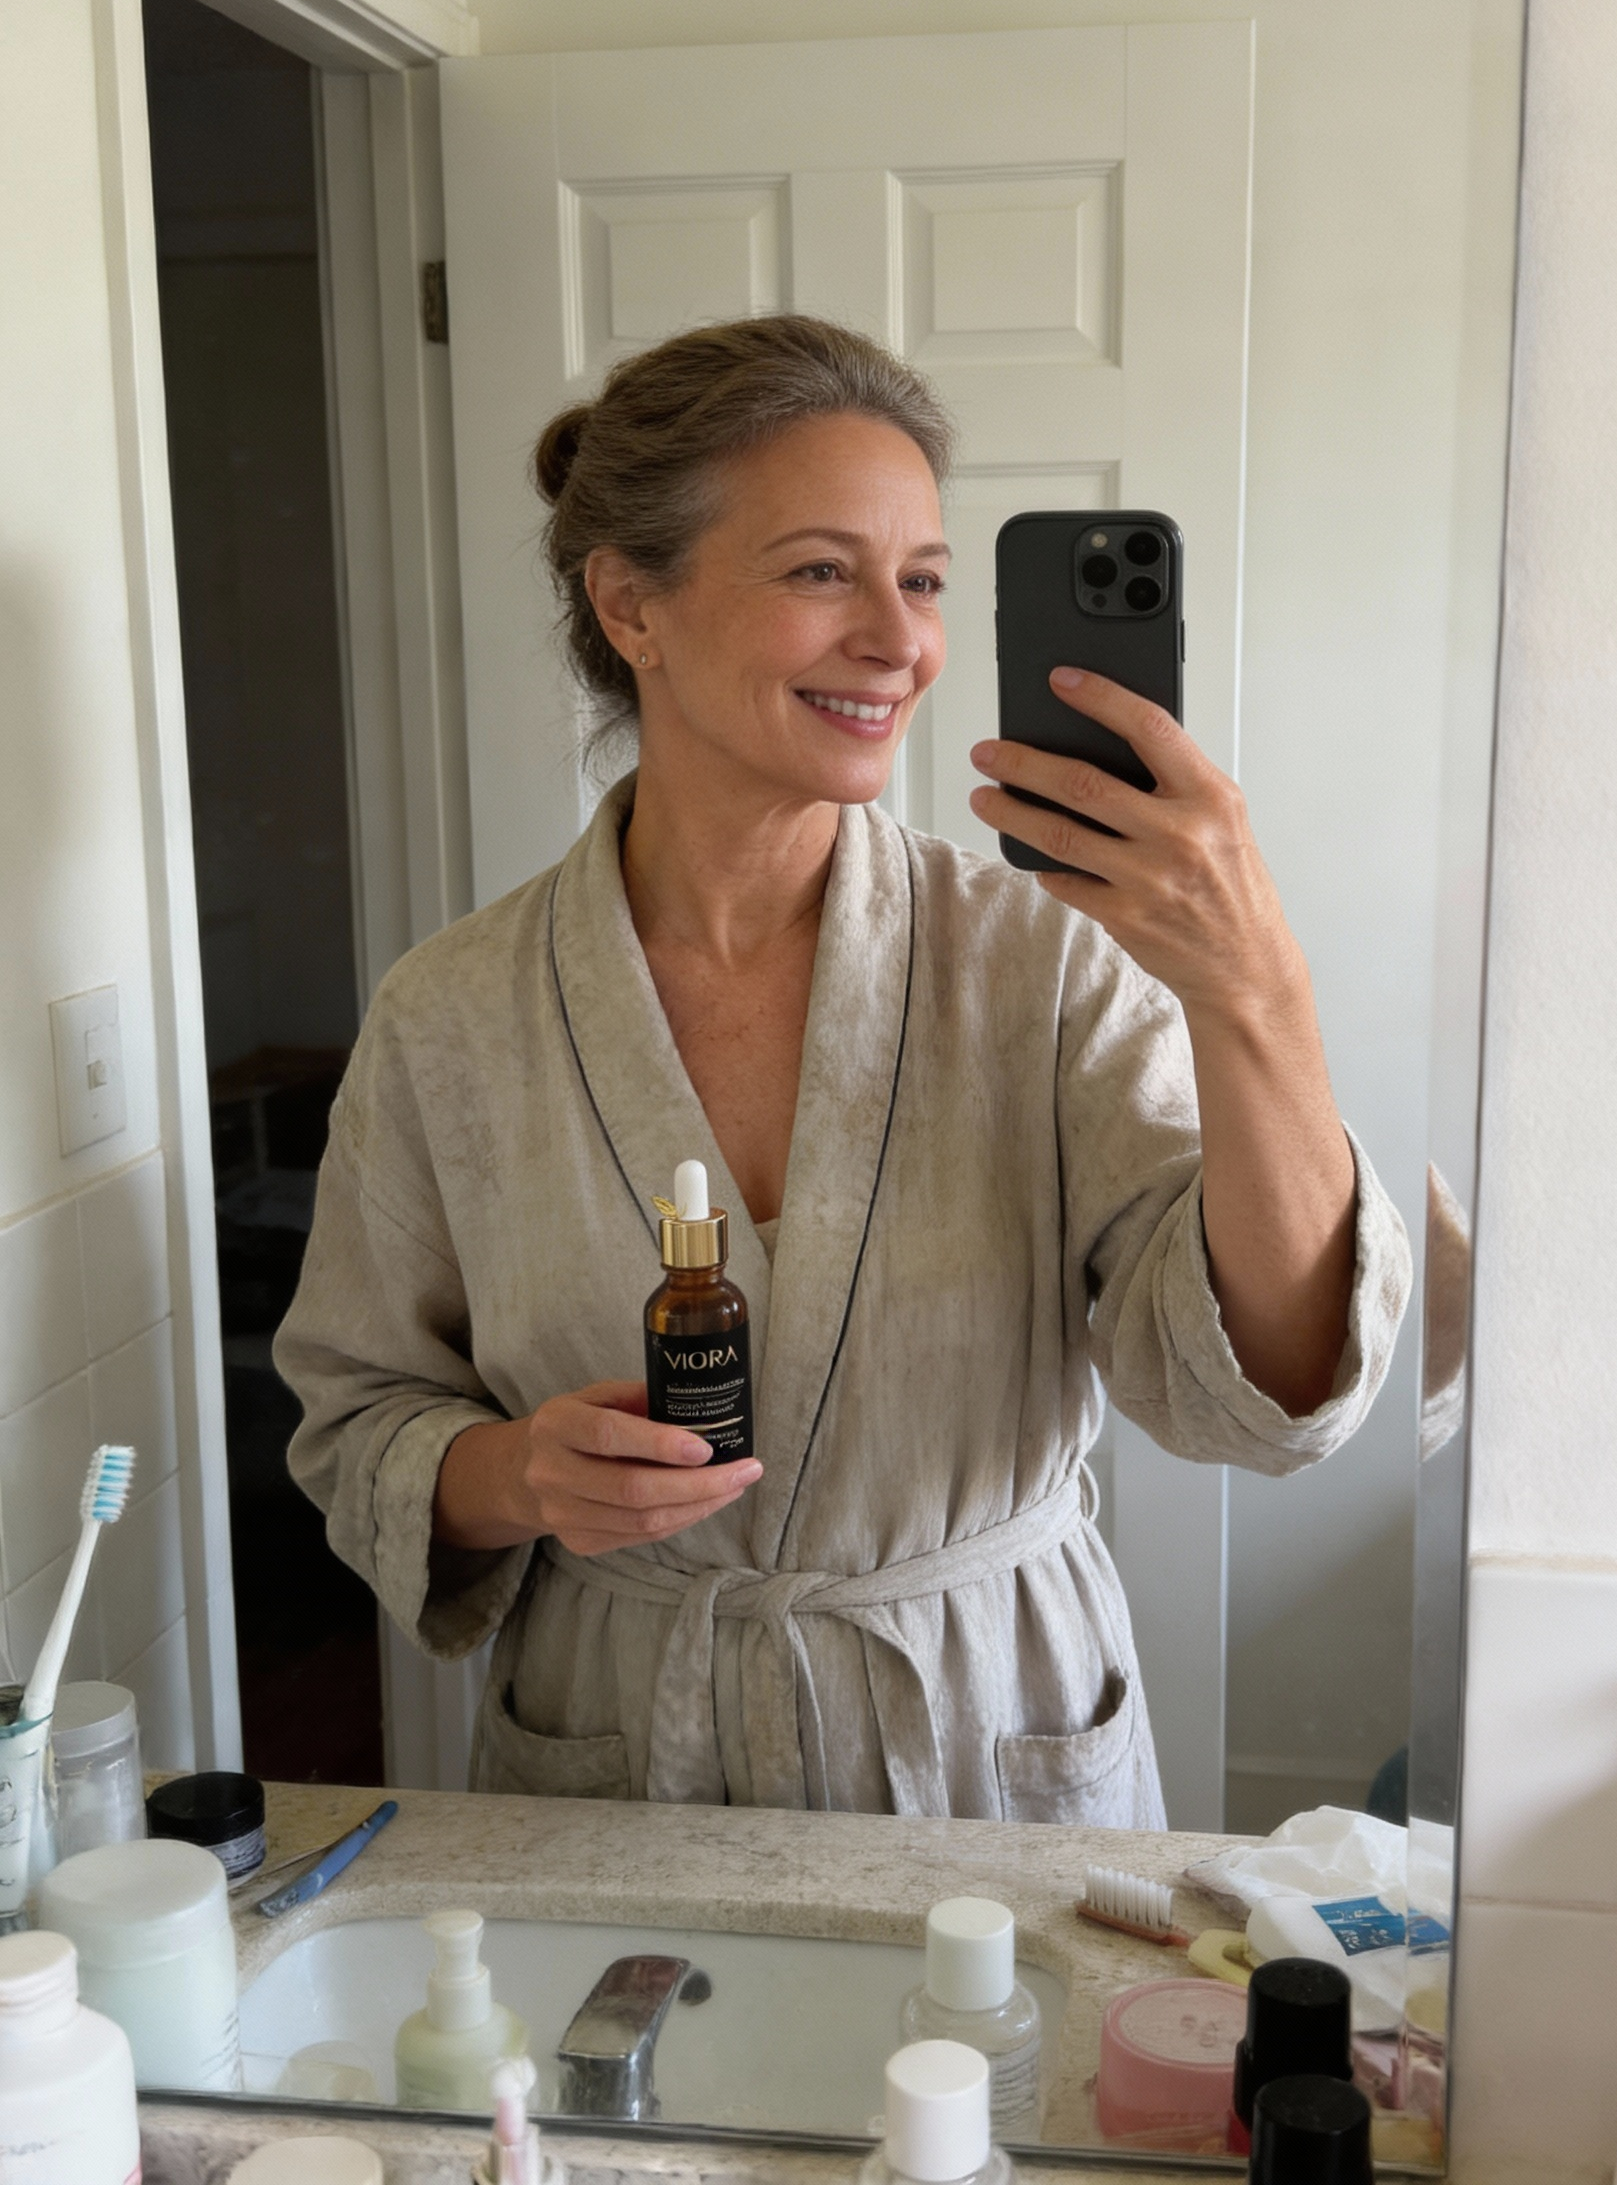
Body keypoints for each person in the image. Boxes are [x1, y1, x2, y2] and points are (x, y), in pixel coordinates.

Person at [280, 315, 1410, 1828]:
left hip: (984, 1742)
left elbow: (1266, 1394)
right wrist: (516, 1477)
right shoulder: (454, 1017)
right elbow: (358, 1416)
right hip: (627, 1757)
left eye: (923, 581)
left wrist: (1255, 991)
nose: (901, 642)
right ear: (631, 604)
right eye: (823, 571)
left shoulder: (1040, 964)